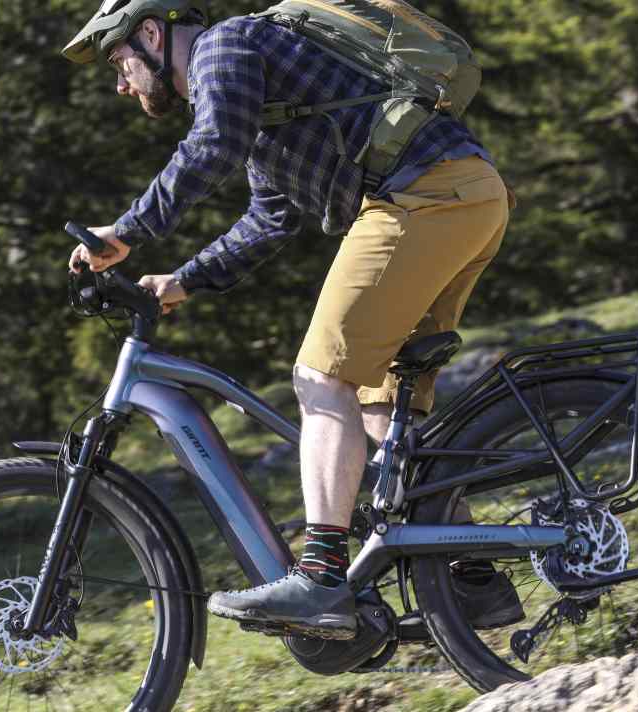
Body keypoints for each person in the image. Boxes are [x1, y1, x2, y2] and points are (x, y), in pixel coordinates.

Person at [63, 0, 522, 640]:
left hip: (423, 199)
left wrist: (129, 231)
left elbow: (213, 147)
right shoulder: (257, 92)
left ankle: (321, 580)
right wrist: (184, 280)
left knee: (320, 379)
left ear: (150, 34)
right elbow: (271, 216)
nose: (121, 84)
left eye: (120, 63)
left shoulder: (224, 47)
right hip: (465, 195)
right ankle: (472, 580)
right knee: (378, 406)